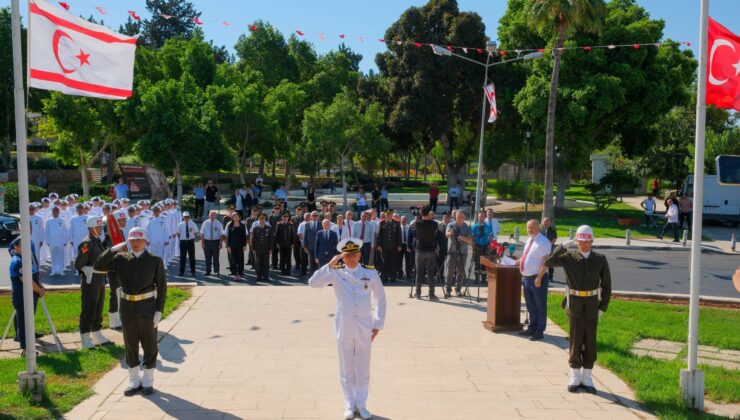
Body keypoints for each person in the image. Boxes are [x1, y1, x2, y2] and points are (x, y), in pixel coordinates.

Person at [308, 238, 386, 420]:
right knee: (346, 367)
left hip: (365, 326)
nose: (351, 258)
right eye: (347, 255)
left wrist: (377, 324)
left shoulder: (370, 273)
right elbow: (313, 283)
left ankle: (362, 404)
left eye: (354, 254)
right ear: (343, 256)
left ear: (360, 255)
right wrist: (331, 263)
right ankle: (349, 404)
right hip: (344, 325)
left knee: (363, 368)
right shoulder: (335, 272)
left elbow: (381, 299)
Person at [94, 227, 167, 397]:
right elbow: (98, 265)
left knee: (150, 344)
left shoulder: (155, 260)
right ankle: (134, 380)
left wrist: (159, 310)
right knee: (130, 344)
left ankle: (148, 379)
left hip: (147, 307)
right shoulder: (121, 259)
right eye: (132, 240)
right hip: (127, 307)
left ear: (145, 241)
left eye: (139, 240)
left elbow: (162, 287)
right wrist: (113, 249)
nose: (136, 243)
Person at [544, 225, 611, 394]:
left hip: (591, 304)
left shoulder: (600, 259)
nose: (583, 244)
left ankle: (587, 376)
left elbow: (607, 285)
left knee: (590, 340)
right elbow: (549, 262)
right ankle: (574, 375)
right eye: (580, 241)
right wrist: (563, 246)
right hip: (574, 303)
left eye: (586, 241)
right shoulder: (569, 257)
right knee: (575, 339)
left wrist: (602, 307)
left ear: (591, 241)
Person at [74, 216, 112, 348]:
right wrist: (89, 270)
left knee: (98, 307)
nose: (100, 229)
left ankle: (96, 333)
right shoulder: (87, 243)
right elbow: (79, 264)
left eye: (101, 227)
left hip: (99, 279)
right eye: (98, 227)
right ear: (91, 228)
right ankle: (85, 336)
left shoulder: (97, 241)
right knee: (89, 308)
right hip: (90, 280)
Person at [9, 237, 45, 357]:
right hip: (22, 297)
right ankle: (25, 350)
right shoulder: (18, 261)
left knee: (29, 322)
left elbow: (34, 274)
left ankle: (29, 347)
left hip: (31, 295)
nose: (27, 248)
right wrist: (39, 290)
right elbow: (27, 281)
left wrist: (40, 286)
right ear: (16, 247)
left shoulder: (26, 259)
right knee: (24, 323)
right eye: (23, 245)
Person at [517, 219, 552, 341]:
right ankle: (532, 327)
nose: (530, 229)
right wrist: (515, 262)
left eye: (532, 227)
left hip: (537, 278)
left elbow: (546, 261)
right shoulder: (530, 240)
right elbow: (527, 256)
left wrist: (539, 277)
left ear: (539, 227)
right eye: (528, 227)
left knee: (539, 305)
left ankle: (539, 331)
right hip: (527, 278)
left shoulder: (543, 241)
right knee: (530, 305)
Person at [413, 205, 439, 300]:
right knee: (431, 273)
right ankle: (431, 294)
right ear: (429, 213)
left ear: (421, 213)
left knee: (419, 273)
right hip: (431, 250)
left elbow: (413, 229)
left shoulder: (418, 223)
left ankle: (418, 293)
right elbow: (435, 234)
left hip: (420, 250)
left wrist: (420, 216)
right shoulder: (435, 224)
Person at [445, 211, 472, 297]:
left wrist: (462, 238)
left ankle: (458, 289)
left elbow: (470, 240)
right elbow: (446, 234)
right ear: (455, 217)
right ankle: (448, 289)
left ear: (464, 218)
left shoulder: (467, 227)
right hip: (452, 251)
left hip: (463, 252)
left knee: (460, 271)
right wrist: (450, 233)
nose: (460, 218)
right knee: (450, 270)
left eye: (462, 217)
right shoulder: (450, 224)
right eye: (458, 217)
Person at [377, 210, 402, 283]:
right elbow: (379, 235)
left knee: (393, 262)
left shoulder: (396, 223)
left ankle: (393, 277)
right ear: (385, 215)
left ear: (392, 215)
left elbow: (399, 235)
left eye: (390, 215)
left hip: (394, 246)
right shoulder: (381, 223)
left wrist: (399, 245)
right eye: (387, 215)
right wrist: (378, 245)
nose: (388, 216)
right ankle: (384, 276)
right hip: (384, 246)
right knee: (384, 262)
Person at [224, 212, 248, 281]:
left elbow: (244, 236)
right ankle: (234, 274)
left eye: (237, 217)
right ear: (232, 218)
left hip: (240, 245)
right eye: (235, 217)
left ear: (239, 218)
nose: (236, 218)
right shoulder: (229, 225)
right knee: (233, 260)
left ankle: (240, 273)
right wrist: (228, 246)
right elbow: (227, 236)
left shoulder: (243, 225)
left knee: (240, 259)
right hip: (232, 245)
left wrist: (244, 245)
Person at [44, 206, 68, 276]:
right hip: (52, 240)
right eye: (54, 211)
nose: (55, 212)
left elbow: (66, 231)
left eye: (57, 211)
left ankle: (61, 270)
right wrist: (47, 241)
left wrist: (65, 241)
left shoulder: (62, 220)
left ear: (59, 212)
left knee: (61, 256)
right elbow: (46, 232)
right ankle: (54, 270)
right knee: (53, 256)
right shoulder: (49, 221)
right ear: (52, 212)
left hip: (60, 240)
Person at [250, 213, 274, 282]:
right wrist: (253, 249)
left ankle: (266, 276)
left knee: (266, 263)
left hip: (266, 249)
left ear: (265, 220)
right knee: (258, 263)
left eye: (263, 219)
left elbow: (271, 239)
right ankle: (259, 276)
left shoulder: (268, 228)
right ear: (258, 220)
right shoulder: (255, 228)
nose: (262, 220)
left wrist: (271, 249)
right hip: (258, 249)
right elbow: (253, 239)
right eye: (260, 219)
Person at [200, 210, 224, 276]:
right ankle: (208, 271)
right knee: (207, 258)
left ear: (215, 216)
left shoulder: (218, 223)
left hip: (215, 242)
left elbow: (221, 234)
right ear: (209, 215)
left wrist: (220, 243)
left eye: (214, 215)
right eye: (211, 214)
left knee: (216, 258)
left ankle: (216, 271)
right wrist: (202, 243)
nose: (212, 216)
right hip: (207, 242)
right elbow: (202, 233)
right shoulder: (205, 223)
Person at [471, 212, 493, 283]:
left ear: (484, 217)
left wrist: (490, 245)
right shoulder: (474, 227)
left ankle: (483, 279)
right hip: (477, 247)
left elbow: (491, 237)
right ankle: (476, 279)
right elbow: (471, 238)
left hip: (485, 247)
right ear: (478, 217)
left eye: (483, 217)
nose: (481, 218)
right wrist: (472, 248)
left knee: (484, 263)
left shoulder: (488, 226)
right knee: (477, 263)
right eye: (480, 217)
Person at [176, 212, 198, 277]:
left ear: (189, 217)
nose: (186, 218)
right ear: (183, 217)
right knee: (182, 257)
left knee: (192, 257)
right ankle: (181, 271)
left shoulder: (193, 224)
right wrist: (182, 238)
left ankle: (193, 271)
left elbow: (195, 232)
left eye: (187, 216)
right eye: (185, 217)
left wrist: (193, 238)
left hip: (190, 241)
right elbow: (178, 233)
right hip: (183, 242)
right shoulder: (180, 224)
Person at [275, 211, 296, 275]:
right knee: (282, 258)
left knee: (288, 258)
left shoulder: (291, 224)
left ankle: (288, 270)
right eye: (284, 217)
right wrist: (277, 243)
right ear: (282, 217)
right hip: (281, 244)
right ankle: (282, 270)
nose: (285, 218)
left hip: (289, 244)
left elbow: (293, 235)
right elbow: (277, 235)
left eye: (286, 217)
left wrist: (293, 243)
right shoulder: (279, 224)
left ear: (288, 217)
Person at [540, 217, 558, 282]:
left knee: (550, 263)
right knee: (541, 262)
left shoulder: (553, 230)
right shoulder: (541, 230)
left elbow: (554, 239)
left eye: (547, 222)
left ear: (550, 223)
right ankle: (541, 275)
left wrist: (548, 245)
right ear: (542, 223)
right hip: (542, 249)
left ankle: (550, 277)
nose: (546, 223)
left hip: (550, 249)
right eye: (544, 222)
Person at [436, 211, 451, 285]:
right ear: (443, 217)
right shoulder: (439, 225)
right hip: (441, 247)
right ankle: (440, 277)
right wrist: (437, 247)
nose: (446, 218)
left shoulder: (451, 225)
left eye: (448, 217)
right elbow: (436, 237)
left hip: (450, 247)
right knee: (440, 263)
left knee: (450, 263)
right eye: (445, 217)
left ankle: (449, 278)